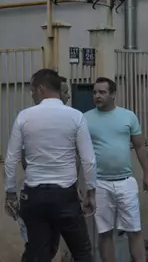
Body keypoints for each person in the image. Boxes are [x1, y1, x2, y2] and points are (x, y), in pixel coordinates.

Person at [3, 69, 96, 262]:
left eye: (32, 90)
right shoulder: (76, 116)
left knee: (37, 253)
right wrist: (90, 192)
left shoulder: (24, 117)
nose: (32, 94)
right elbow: (88, 160)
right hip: (65, 197)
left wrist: (10, 193)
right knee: (82, 252)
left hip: (34, 196)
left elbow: (11, 159)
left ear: (41, 88)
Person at [83, 77, 148, 262]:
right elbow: (79, 152)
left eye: (102, 92)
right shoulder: (85, 118)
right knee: (105, 232)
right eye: (95, 92)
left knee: (134, 230)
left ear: (113, 94)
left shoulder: (128, 116)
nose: (97, 96)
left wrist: (147, 173)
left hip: (125, 182)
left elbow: (139, 146)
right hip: (99, 183)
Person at [18, 77, 74, 262]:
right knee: (37, 247)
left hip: (58, 194)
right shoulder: (30, 119)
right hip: (36, 194)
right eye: (64, 92)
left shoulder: (68, 119)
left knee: (50, 245)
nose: (67, 96)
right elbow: (23, 157)